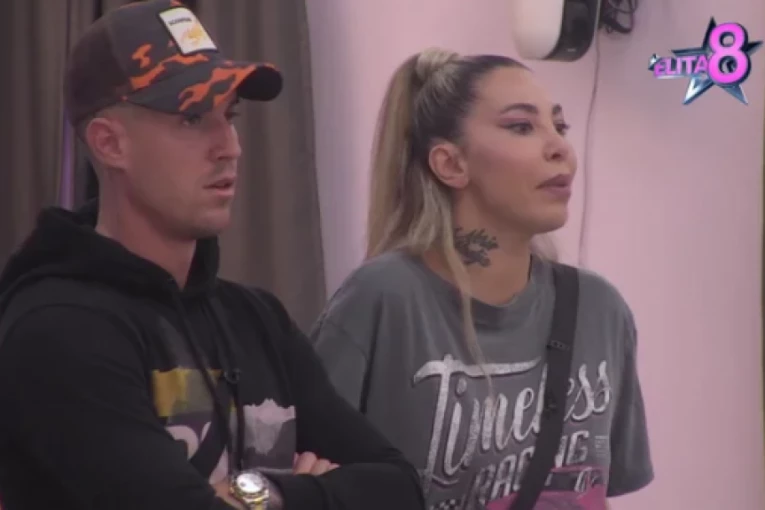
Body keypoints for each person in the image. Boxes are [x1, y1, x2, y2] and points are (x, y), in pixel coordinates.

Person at [0, 2, 424, 510]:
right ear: (110, 144)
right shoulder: (57, 327)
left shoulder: (256, 319)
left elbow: (399, 488)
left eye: (230, 116)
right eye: (192, 118)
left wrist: (263, 494)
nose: (229, 147)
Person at [310, 48, 654, 510]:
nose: (560, 148)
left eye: (560, 126)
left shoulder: (599, 309)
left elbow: (595, 492)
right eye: (521, 126)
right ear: (451, 164)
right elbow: (309, 484)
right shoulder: (383, 299)